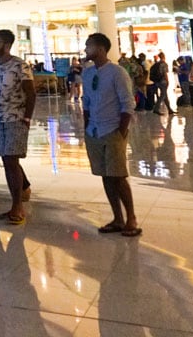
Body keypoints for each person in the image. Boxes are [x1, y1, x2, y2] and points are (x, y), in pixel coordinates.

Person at [81, 33, 141, 237]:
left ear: (100, 49)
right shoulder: (88, 74)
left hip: (112, 129)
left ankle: (131, 217)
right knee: (106, 175)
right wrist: (86, 127)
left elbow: (127, 103)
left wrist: (121, 130)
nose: (85, 49)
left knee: (118, 176)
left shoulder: (117, 72)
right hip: (94, 131)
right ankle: (117, 218)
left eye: (89, 46)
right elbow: (86, 102)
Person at [0, 30, 35, 225]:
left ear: (6, 44)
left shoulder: (20, 65)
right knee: (7, 160)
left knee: (11, 160)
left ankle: (17, 206)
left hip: (16, 119)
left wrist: (27, 118)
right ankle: (17, 200)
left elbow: (31, 93)